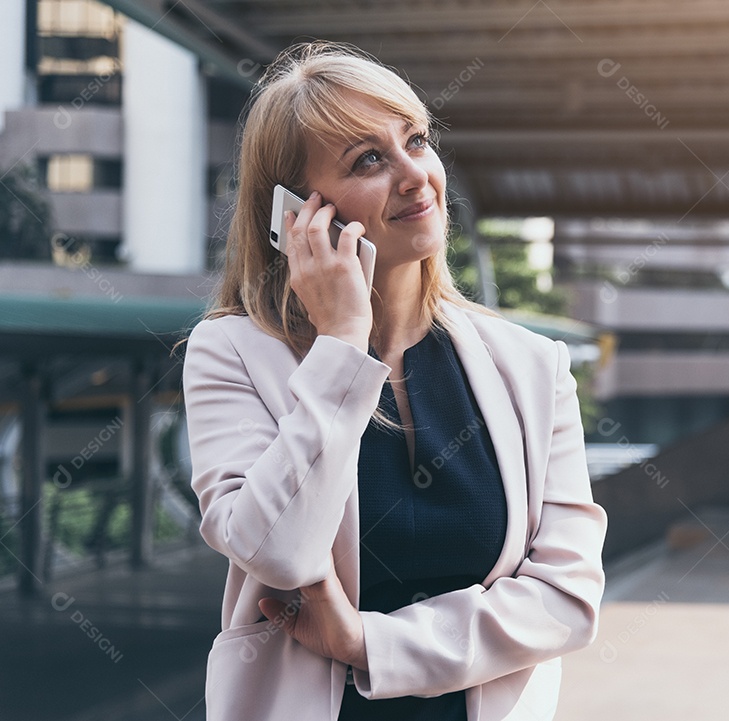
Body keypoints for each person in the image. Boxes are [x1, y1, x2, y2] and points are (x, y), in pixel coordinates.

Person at [181, 41, 607, 721]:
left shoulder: (531, 365)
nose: (416, 176)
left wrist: (367, 643)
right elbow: (279, 552)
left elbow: (568, 599)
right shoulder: (231, 352)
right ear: (296, 214)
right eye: (369, 160)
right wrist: (343, 343)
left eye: (416, 141)